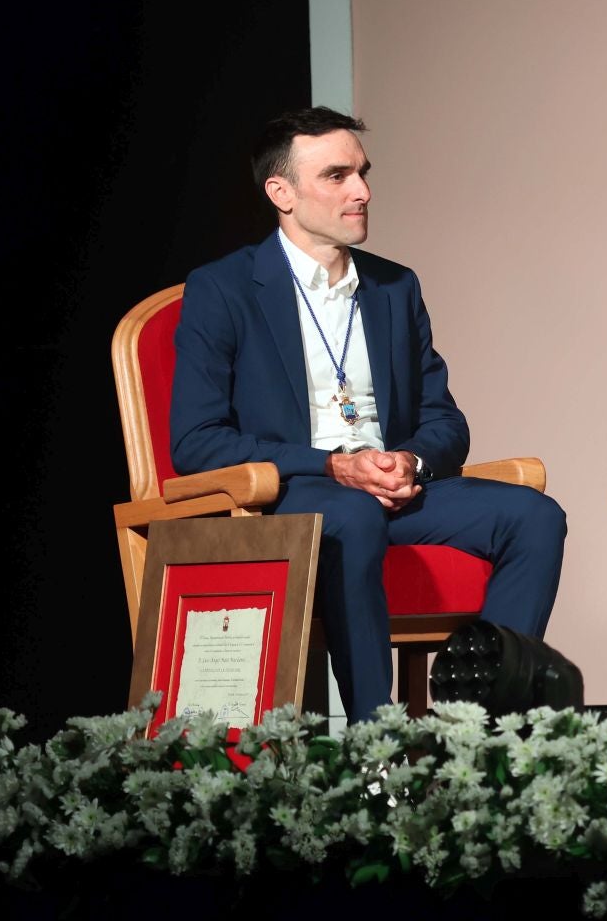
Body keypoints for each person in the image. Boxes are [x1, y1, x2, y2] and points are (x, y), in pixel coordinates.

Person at [169, 107, 565, 722]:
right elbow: (197, 443)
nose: (363, 191)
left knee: (534, 517)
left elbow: (445, 422)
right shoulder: (223, 289)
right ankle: (374, 741)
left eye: (363, 173)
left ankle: (483, 731)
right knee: (352, 515)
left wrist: (408, 459)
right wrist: (333, 467)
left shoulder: (393, 286)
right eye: (337, 176)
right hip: (291, 498)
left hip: (390, 490)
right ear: (282, 193)